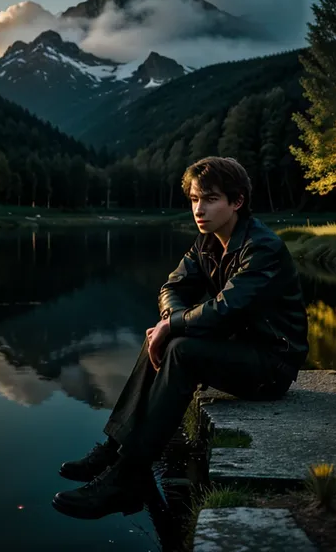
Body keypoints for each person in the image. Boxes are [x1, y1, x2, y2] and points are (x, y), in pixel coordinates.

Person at [52, 156, 309, 519]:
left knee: (180, 348)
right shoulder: (206, 243)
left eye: (210, 199)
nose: (199, 209)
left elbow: (226, 309)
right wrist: (168, 322)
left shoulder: (261, 248)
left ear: (236, 201)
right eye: (193, 199)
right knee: (159, 337)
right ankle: (115, 450)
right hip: (239, 352)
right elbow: (172, 286)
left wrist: (171, 325)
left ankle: (127, 475)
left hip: (271, 365)